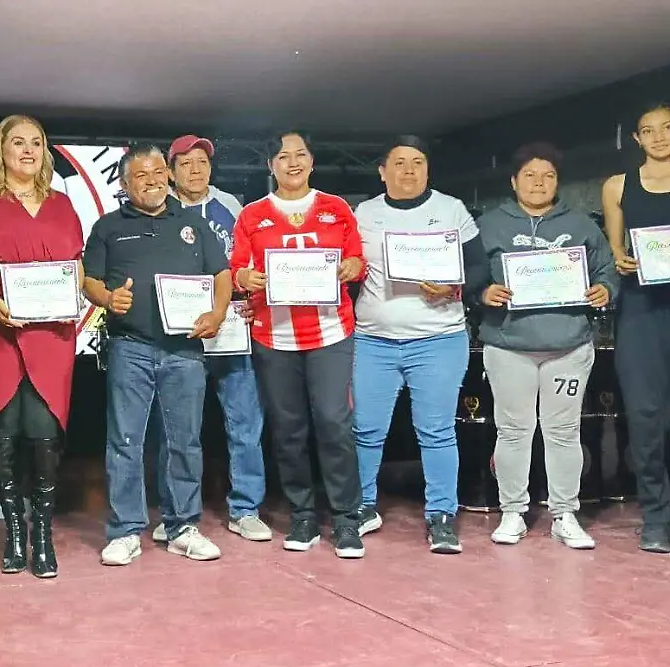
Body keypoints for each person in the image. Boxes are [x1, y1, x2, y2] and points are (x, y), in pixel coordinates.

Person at [82, 144, 231, 566]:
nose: (151, 181)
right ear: (125, 184)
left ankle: (183, 526)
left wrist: (218, 311)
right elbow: (87, 280)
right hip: (130, 347)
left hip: (185, 349)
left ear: (168, 174)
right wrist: (109, 298)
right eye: (140, 176)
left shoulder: (191, 224)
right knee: (126, 441)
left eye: (157, 172)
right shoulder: (109, 226)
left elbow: (221, 273)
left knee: (184, 441)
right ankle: (125, 530)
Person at [471, 142, 616, 549]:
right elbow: (469, 277)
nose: (539, 183)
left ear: (557, 182)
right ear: (514, 181)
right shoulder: (490, 224)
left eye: (548, 176)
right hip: (508, 345)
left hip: (568, 345)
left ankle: (564, 513)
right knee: (514, 430)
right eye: (530, 175)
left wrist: (604, 288)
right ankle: (512, 511)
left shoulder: (581, 225)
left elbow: (606, 269)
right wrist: (484, 292)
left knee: (563, 431)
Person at [230, 130, 367, 559]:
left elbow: (358, 259)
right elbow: (236, 269)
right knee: (288, 430)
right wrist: (243, 280)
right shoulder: (252, 215)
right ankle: (303, 514)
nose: (292, 163)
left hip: (330, 333)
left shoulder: (336, 207)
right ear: (270, 165)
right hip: (274, 336)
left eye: (301, 154)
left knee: (333, 423)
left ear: (312, 161)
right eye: (283, 156)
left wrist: (351, 266)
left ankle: (346, 519)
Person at [0, 114, 84, 578]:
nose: (28, 150)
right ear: (1, 149)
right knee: (5, 430)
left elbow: (75, 267)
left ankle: (44, 535)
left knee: (44, 431)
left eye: (36, 142)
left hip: (51, 335)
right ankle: (14, 533)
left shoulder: (62, 205)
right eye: (18, 142)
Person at [351, 135, 486, 554]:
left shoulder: (451, 210)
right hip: (374, 340)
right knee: (366, 430)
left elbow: (479, 267)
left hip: (438, 340)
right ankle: (362, 506)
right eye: (399, 163)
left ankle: (441, 515)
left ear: (427, 170)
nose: (408, 171)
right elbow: (348, 267)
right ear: (382, 171)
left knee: (437, 431)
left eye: (417, 163)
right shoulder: (363, 214)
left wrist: (454, 288)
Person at [151, 134, 271, 544]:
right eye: (185, 163)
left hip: (232, 327)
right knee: (178, 429)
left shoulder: (232, 209)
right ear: (170, 171)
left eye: (202, 161)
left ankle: (246, 508)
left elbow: (247, 263)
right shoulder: (157, 210)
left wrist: (251, 295)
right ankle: (177, 515)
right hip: (180, 330)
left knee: (244, 422)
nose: (195, 169)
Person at [602, 102, 670, 553]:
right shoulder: (617, 186)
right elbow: (614, 250)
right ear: (638, 140)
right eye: (649, 131)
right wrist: (622, 260)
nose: (659, 137)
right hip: (642, 311)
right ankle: (656, 518)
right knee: (646, 417)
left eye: (667, 129)